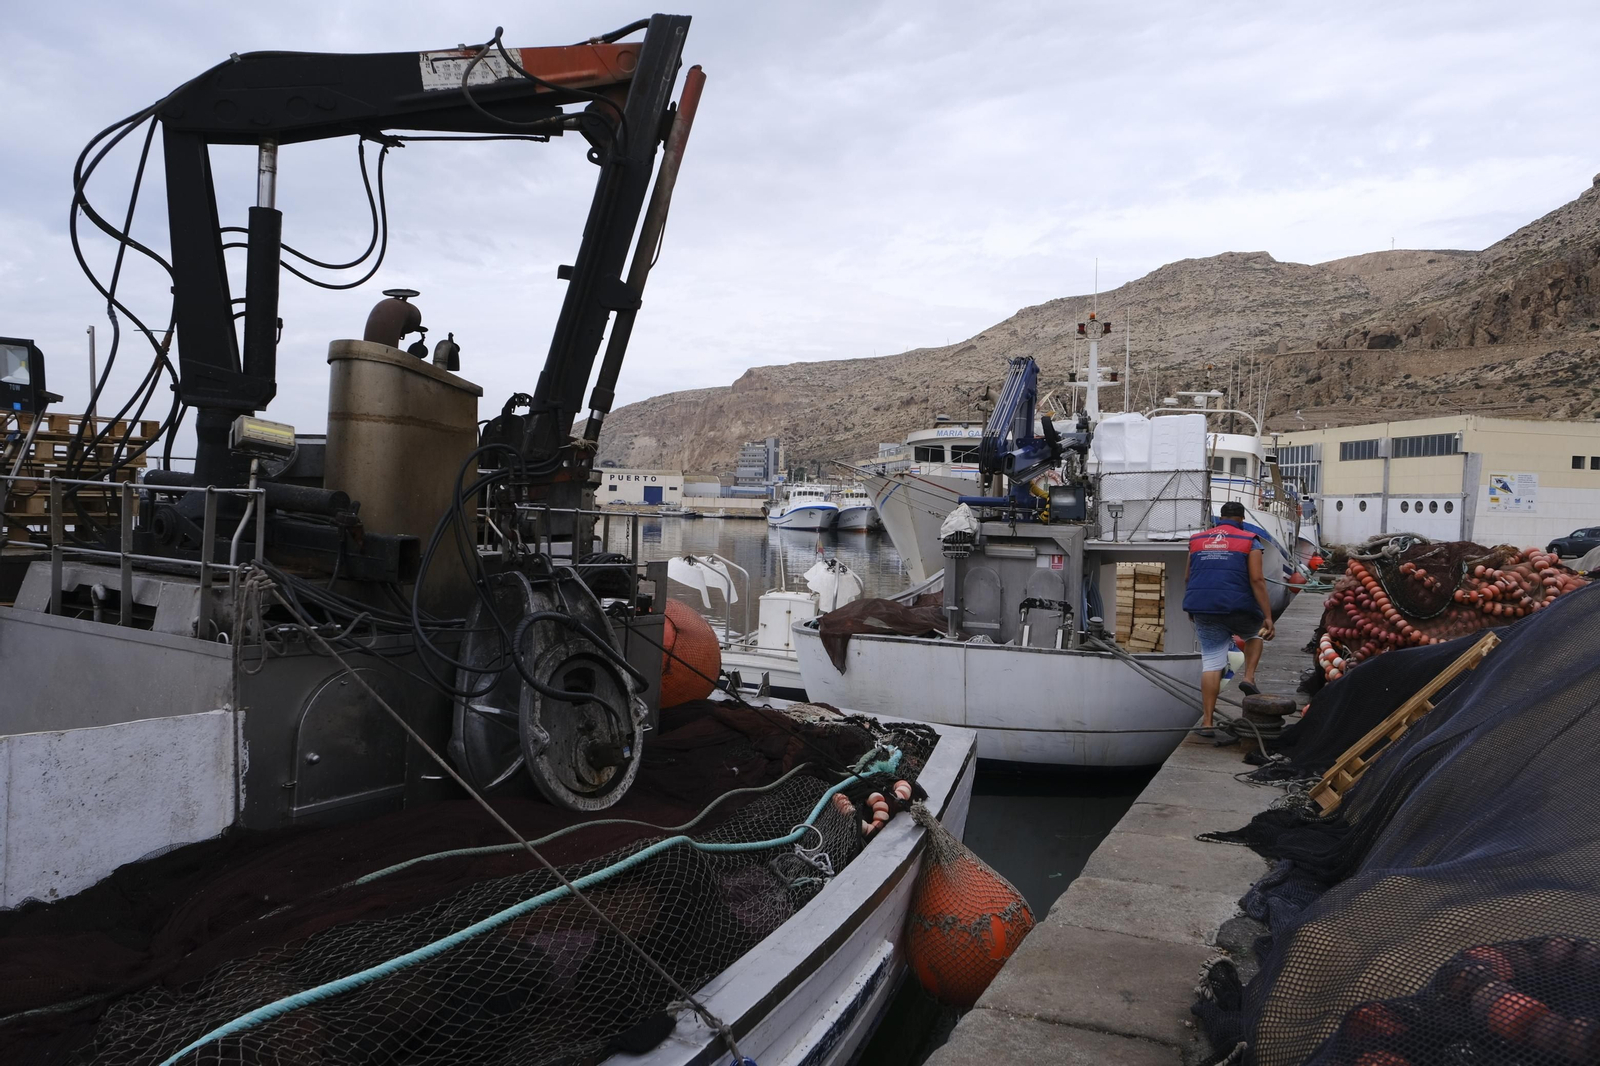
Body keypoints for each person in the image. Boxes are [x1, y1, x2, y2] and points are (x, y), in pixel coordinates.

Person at [1183, 500, 1274, 738]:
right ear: (1241, 519)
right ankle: (1249, 677)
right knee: (1255, 635)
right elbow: (1257, 580)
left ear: (1219, 518)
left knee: (1212, 662)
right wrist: (1268, 616)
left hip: (1203, 608)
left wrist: (1193, 607)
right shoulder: (1249, 541)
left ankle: (1207, 722)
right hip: (1238, 608)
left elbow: (1187, 577)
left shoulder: (1197, 541)